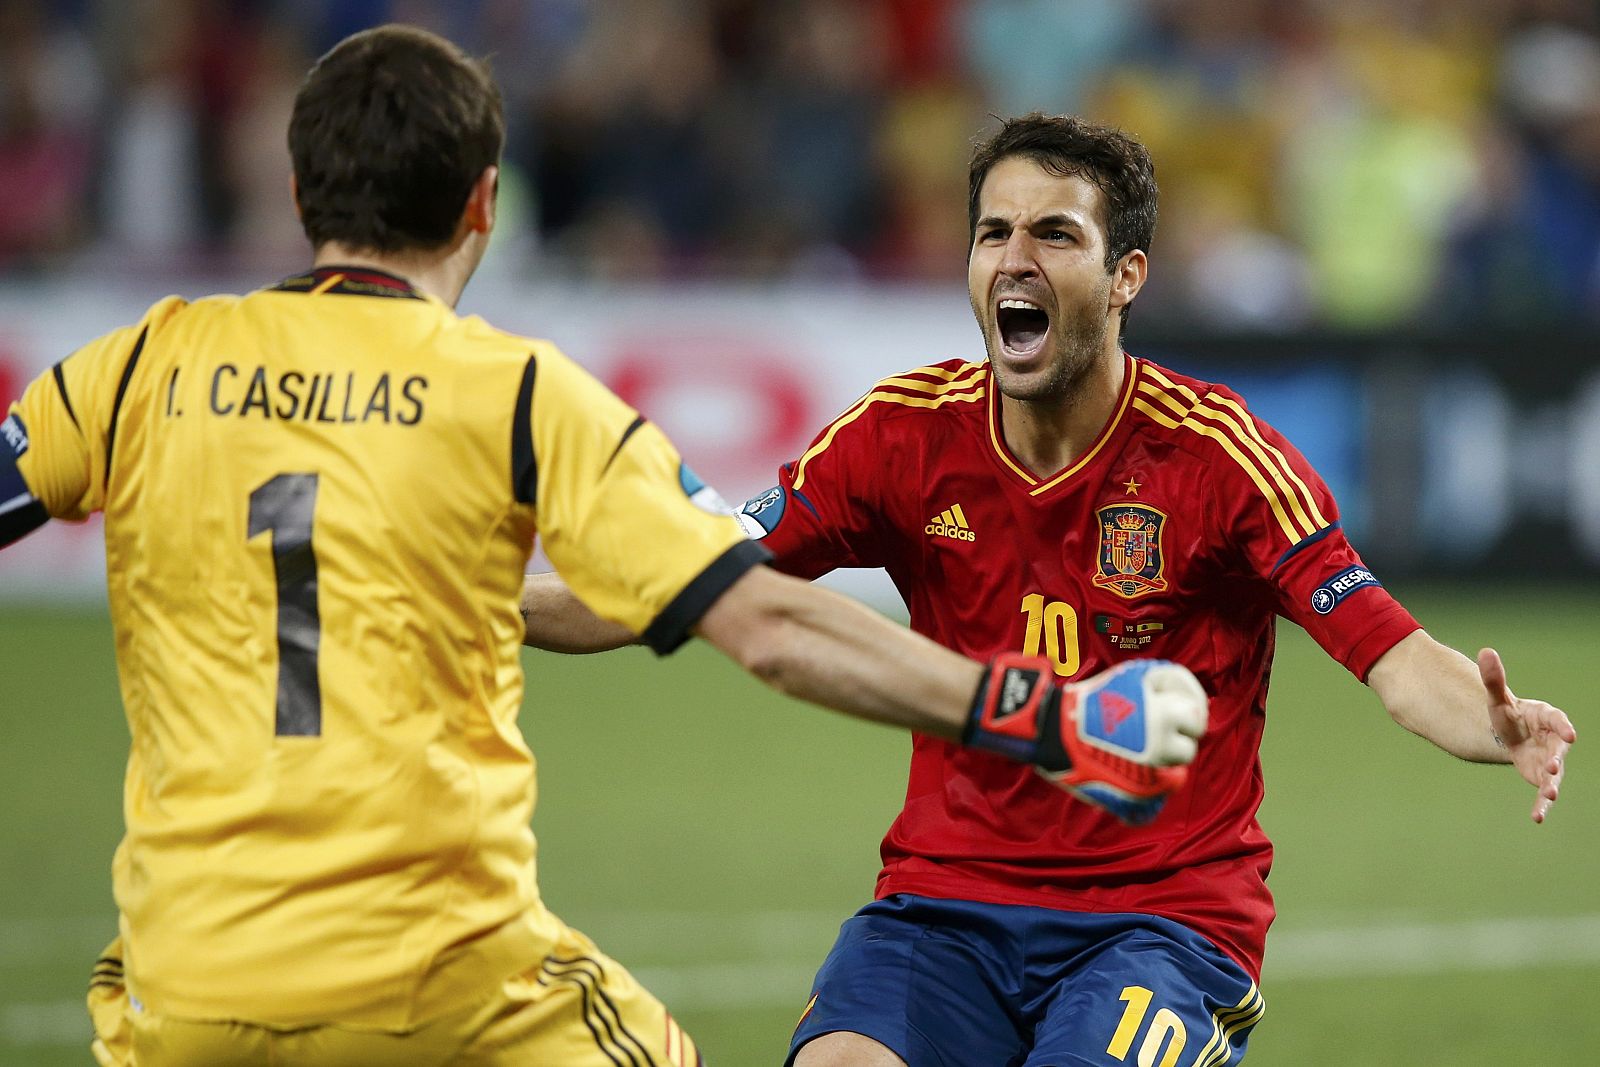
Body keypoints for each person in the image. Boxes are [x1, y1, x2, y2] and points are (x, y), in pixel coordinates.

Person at [0, 31, 1211, 1067]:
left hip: (180, 985)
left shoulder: (138, 362)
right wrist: (1053, 720)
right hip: (449, 980)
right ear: (483, 201)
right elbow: (771, 624)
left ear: (300, 185)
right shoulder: (521, 395)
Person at [519, 113, 1577, 1066]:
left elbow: (1388, 653)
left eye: (1054, 236)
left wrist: (1495, 724)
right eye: (993, 232)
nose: (1013, 259)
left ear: (1125, 276)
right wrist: (481, 597)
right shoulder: (898, 434)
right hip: (940, 909)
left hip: (1162, 925)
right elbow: (676, 580)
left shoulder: (1220, 458)